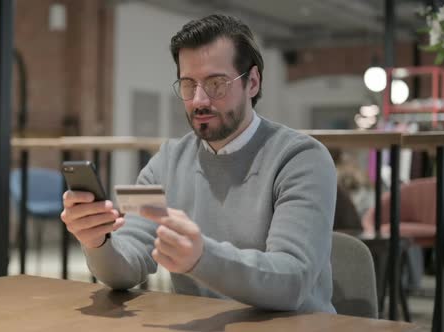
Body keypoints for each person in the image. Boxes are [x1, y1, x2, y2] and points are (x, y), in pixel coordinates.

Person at [61, 14, 337, 313]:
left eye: (217, 83)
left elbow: (291, 282)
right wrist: (97, 242)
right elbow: (127, 266)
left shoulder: (302, 159)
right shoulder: (164, 163)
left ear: (253, 82)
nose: (198, 100)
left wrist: (202, 257)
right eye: (188, 84)